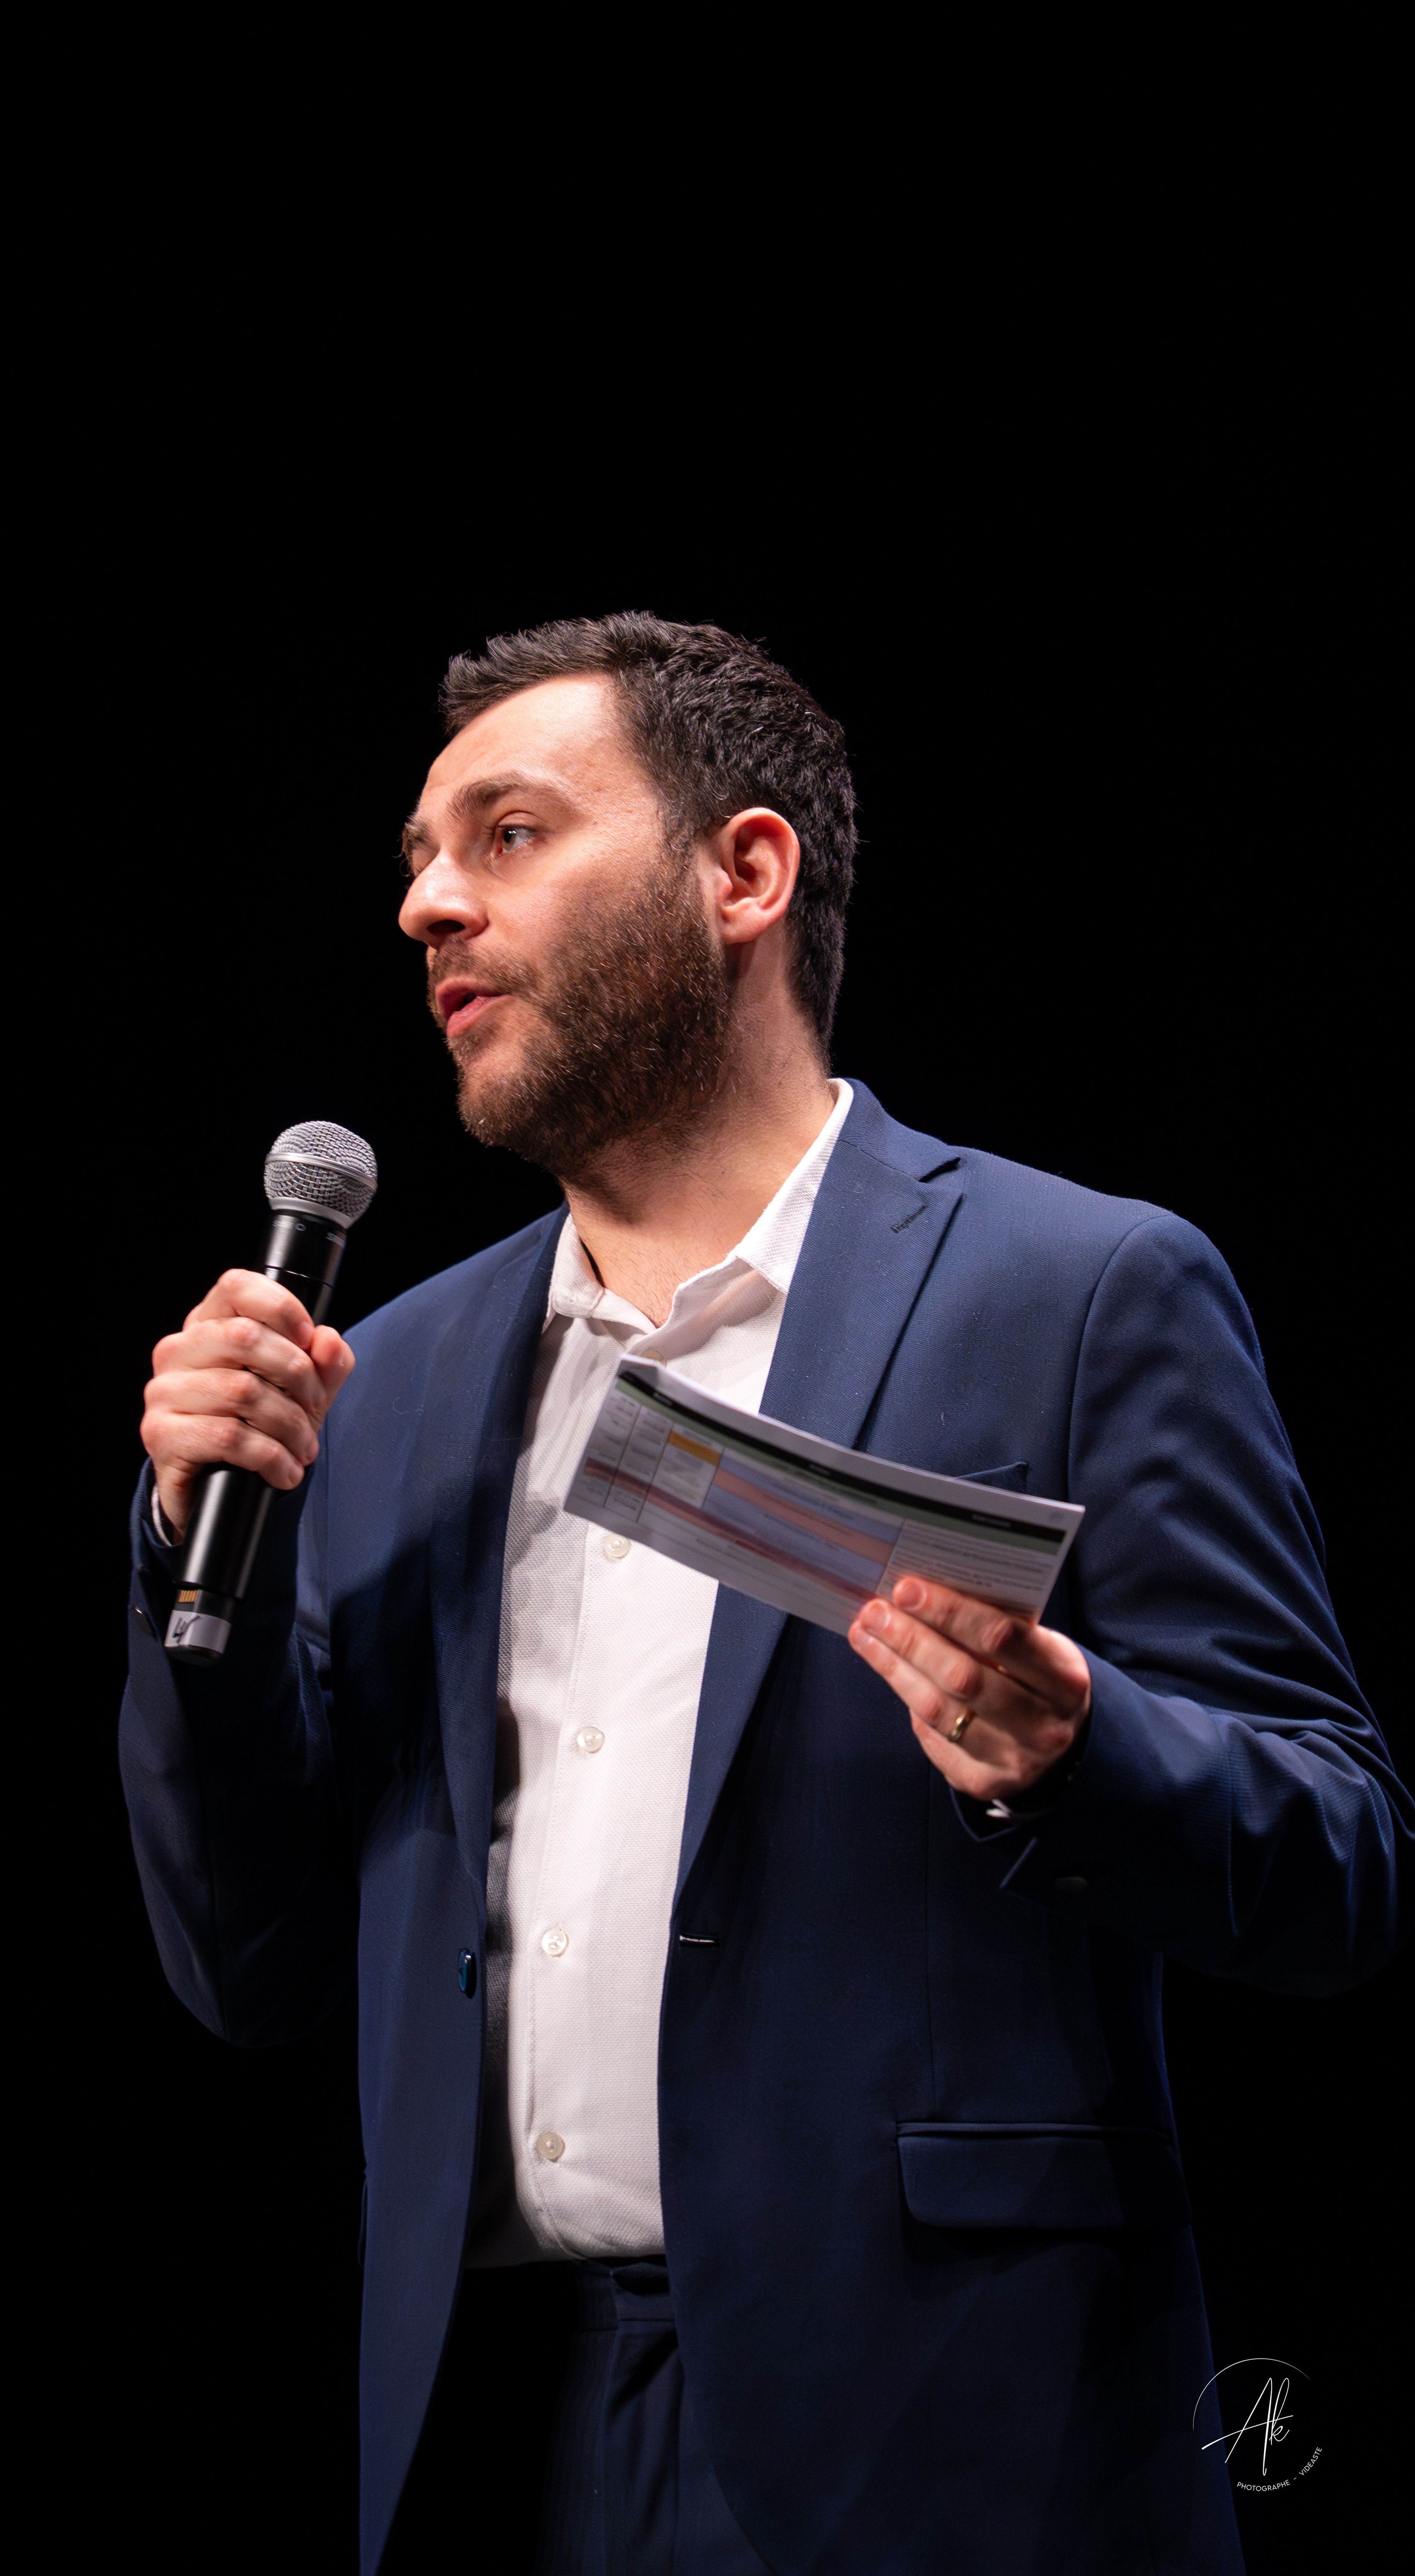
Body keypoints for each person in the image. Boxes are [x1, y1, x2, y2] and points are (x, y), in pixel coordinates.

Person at [121, 614, 1406, 2576]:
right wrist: (190, 1549)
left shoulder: (1075, 1290)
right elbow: (249, 1964)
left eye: (509, 834)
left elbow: (1341, 1859)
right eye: (419, 856)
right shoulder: (386, 1383)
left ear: (743, 872)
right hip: (483, 2428)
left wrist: (1074, 1751)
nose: (427, 904)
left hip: (937, 2438)